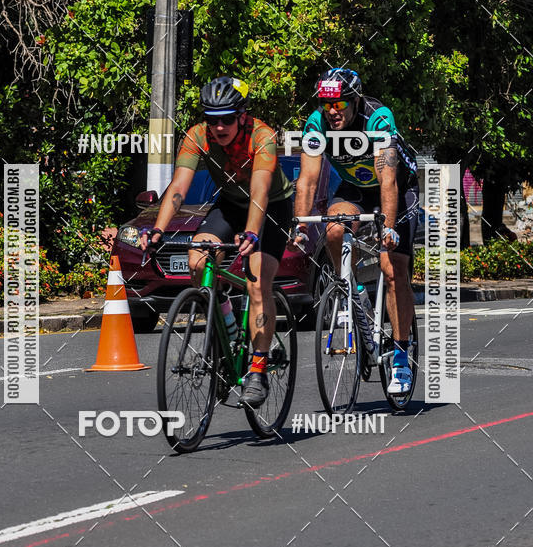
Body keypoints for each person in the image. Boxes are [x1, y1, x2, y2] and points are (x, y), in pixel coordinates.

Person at [140, 75, 294, 408]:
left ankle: (258, 368)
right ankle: (228, 320)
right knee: (198, 260)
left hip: (271, 209)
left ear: (242, 115)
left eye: (226, 118)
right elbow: (178, 188)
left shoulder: (262, 136)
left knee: (256, 284)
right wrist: (157, 230)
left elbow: (260, 192)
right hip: (229, 205)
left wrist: (252, 232)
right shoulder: (197, 136)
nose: (219, 126)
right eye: (212, 119)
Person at [293, 68, 419, 394]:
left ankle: (402, 357)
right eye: (326, 104)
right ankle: (350, 289)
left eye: (340, 104)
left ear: (355, 100)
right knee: (334, 229)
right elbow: (307, 179)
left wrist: (387, 228)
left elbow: (388, 179)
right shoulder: (316, 123)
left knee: (393, 270)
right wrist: (301, 225)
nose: (332, 111)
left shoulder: (377, 118)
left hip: (396, 189)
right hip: (355, 188)